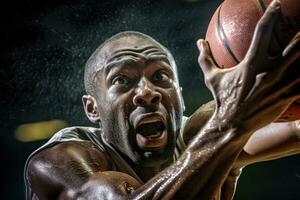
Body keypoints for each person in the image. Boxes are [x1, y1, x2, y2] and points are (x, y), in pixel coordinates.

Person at [24, 1, 300, 199]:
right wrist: (231, 123)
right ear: (92, 108)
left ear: (179, 95)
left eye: (161, 77)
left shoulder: (200, 133)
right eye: (122, 81)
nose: (147, 91)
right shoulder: (58, 163)